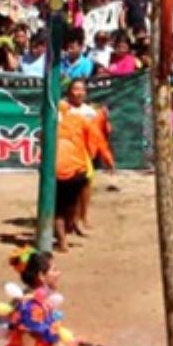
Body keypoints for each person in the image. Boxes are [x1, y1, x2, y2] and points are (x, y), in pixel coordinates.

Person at [54, 79, 113, 250]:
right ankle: (65, 230)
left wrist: (105, 120)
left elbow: (101, 134)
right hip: (64, 156)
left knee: (83, 188)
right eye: (75, 89)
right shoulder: (60, 109)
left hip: (84, 155)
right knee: (62, 199)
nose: (78, 92)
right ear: (69, 91)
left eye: (82, 89)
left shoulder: (90, 112)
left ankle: (80, 219)